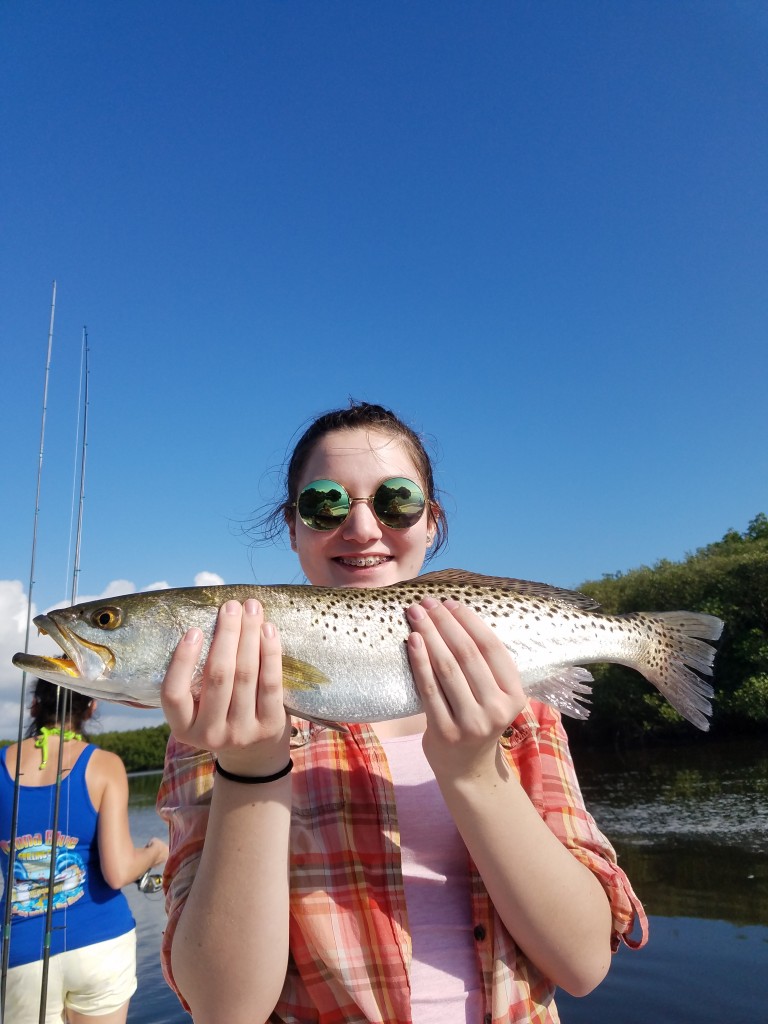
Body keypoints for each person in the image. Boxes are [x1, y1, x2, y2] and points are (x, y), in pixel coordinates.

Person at [157, 401, 648, 1024]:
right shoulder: (213, 722)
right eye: (325, 504)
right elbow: (224, 1009)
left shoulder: (519, 705)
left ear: (429, 520)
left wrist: (474, 770)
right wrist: (249, 768)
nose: (361, 529)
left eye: (394, 501)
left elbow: (583, 964)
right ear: (293, 526)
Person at [0, 679, 169, 1024]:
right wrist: (154, 852)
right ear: (92, 706)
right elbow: (119, 872)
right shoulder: (105, 765)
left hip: (20, 951)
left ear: (34, 706)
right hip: (100, 943)